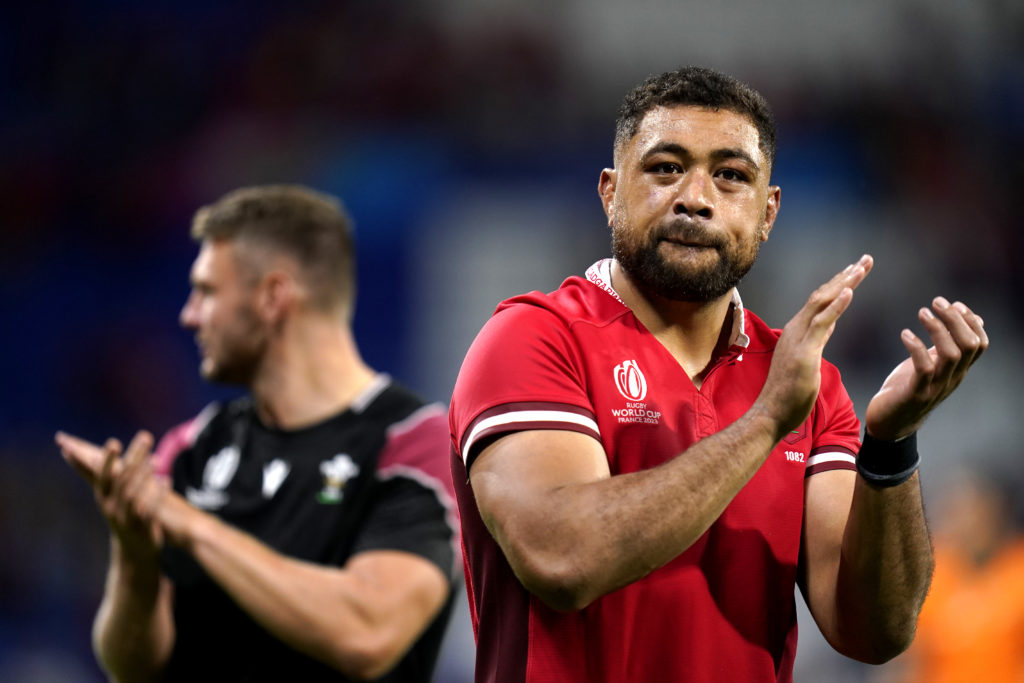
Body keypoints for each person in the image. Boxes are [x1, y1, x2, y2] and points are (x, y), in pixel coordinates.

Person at [448, 66, 988, 682]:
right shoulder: (535, 337)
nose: (696, 198)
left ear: (768, 212)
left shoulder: (807, 385)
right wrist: (765, 422)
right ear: (609, 193)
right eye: (665, 168)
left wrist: (890, 447)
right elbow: (562, 559)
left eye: (731, 176)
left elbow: (873, 632)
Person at [57, 185, 459, 682]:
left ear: (273, 297)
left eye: (207, 291)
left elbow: (367, 634)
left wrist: (195, 528)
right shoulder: (193, 446)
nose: (188, 315)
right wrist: (135, 554)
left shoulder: (415, 444)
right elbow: (132, 668)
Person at [884, 468, 1024, 683]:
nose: (964, 523)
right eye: (954, 512)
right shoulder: (929, 576)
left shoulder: (1017, 569)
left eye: (972, 512)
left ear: (997, 511)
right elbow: (906, 663)